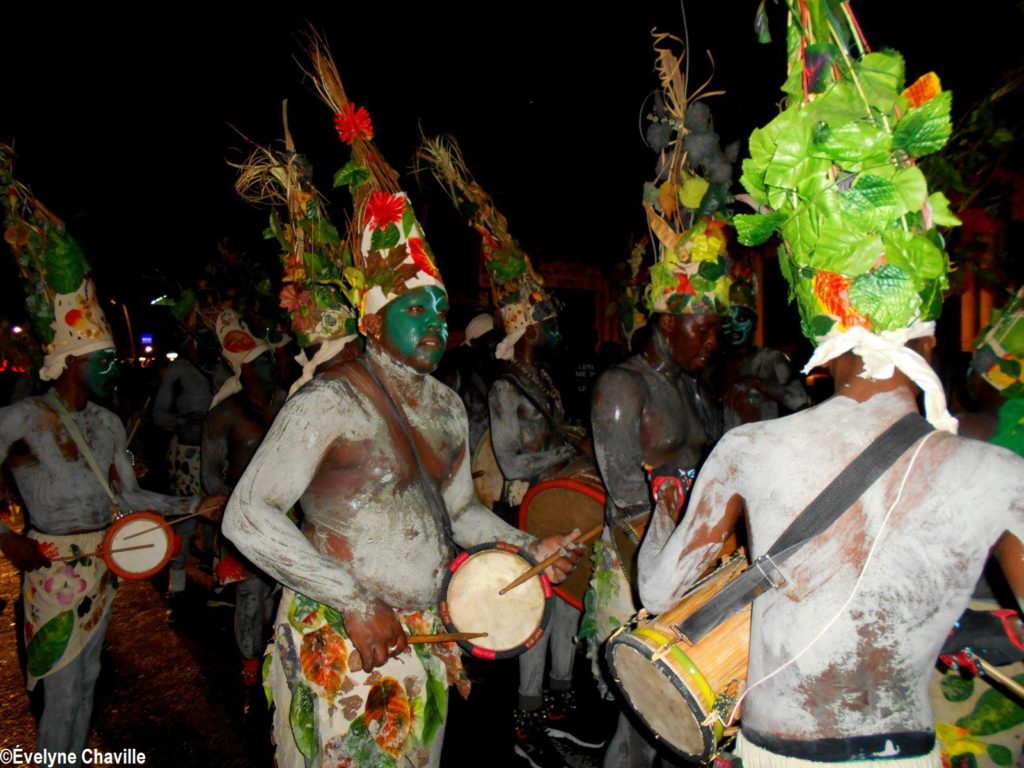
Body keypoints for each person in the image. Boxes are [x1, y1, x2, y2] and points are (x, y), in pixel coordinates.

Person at [639, 8, 1024, 765]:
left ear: (820, 324)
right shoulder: (1001, 477)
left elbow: (658, 591)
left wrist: (664, 514)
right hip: (907, 753)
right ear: (933, 329)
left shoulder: (749, 451)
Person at [223, 42, 580, 768]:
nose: (435, 322)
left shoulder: (448, 407)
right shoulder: (330, 401)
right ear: (371, 319)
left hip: (424, 632)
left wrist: (522, 546)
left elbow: (458, 513)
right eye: (414, 307)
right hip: (344, 630)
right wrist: (352, 597)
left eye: (442, 308)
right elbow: (247, 514)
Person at [0, 144, 225, 752]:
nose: (110, 368)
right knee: (60, 686)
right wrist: (7, 539)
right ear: (68, 361)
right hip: (49, 569)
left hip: (101, 566)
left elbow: (128, 496)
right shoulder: (20, 417)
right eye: (100, 359)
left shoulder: (104, 423)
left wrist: (194, 502)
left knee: (90, 680)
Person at [584, 33, 734, 768]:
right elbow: (623, 503)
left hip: (690, 562)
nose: (711, 343)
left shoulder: (695, 387)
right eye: (701, 329)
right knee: (642, 724)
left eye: (715, 329)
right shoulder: (624, 387)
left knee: (684, 726)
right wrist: (665, 592)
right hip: (645, 564)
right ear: (667, 318)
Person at [201, 309, 285, 694]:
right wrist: (228, 515)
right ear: (245, 370)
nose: (271, 364)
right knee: (250, 596)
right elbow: (210, 476)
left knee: (280, 594)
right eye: (263, 360)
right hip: (246, 518)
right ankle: (250, 667)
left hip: (287, 517)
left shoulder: (288, 401)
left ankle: (277, 662)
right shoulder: (225, 414)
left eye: (270, 357)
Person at [152, 334, 214, 619]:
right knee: (186, 522)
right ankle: (176, 586)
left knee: (219, 513)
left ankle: (220, 579)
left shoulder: (222, 366)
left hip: (217, 453)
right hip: (188, 454)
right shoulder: (180, 370)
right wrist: (184, 421)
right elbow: (158, 415)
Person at [720, 263, 807, 429]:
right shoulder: (713, 367)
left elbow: (801, 403)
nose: (733, 327)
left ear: (754, 324)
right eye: (726, 320)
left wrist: (756, 383)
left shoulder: (772, 360)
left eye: (741, 319)